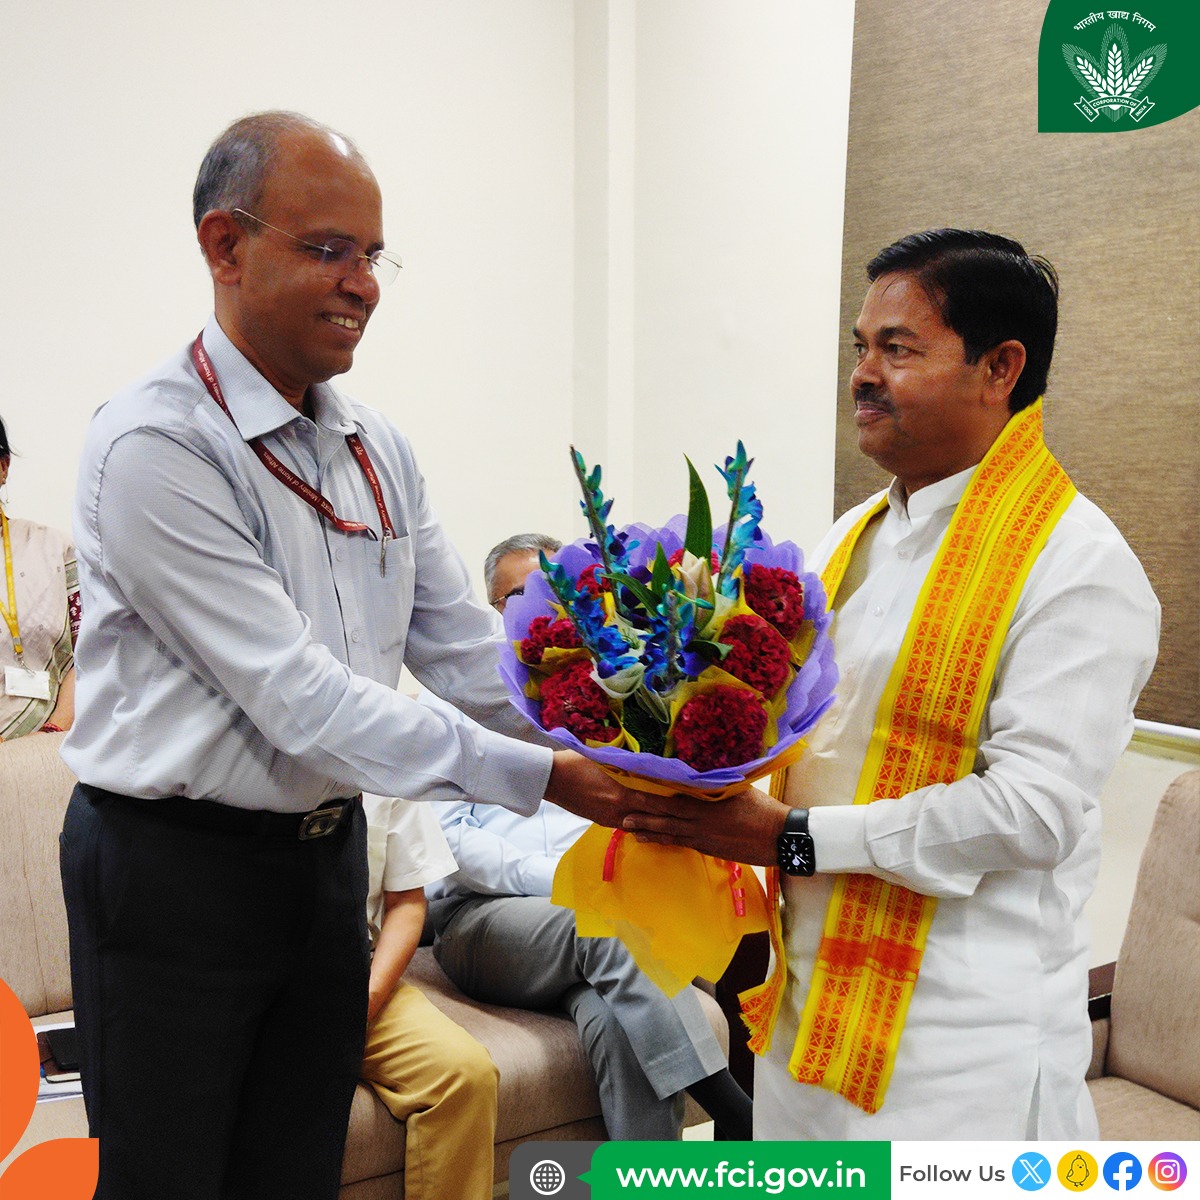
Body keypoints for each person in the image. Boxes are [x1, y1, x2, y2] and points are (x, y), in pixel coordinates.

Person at [59, 111, 645, 1200]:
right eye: (328, 248)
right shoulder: (156, 444)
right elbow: (301, 700)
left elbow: (466, 650)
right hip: (172, 870)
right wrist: (550, 776)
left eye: (373, 254)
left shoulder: (377, 451)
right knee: (170, 1179)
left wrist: (627, 736)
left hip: (326, 867)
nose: (362, 282)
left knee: (295, 1168)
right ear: (224, 247)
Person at [624, 229, 1160, 1140]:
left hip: (962, 1059)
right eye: (859, 348)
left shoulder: (1079, 565)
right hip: (806, 1017)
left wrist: (790, 840)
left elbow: (1031, 813)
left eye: (898, 349)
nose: (863, 374)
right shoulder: (850, 538)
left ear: (1001, 368)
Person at [425, 533, 754, 1142]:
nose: (530, 608)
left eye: (544, 591)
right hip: (482, 922)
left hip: (596, 919)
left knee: (616, 1020)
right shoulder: (456, 699)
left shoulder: (617, 694)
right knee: (605, 927)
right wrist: (569, 886)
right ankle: (738, 1113)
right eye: (511, 598)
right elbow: (454, 849)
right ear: (492, 611)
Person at [358, 794, 497, 1200]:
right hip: (240, 973)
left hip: (355, 969)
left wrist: (368, 997)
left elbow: (406, 901)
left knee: (465, 1074)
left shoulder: (384, 763)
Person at [0, 416, 78, 739]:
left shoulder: (54, 549)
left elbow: (89, 656)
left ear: (3, 467)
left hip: (51, 750)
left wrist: (51, 732)